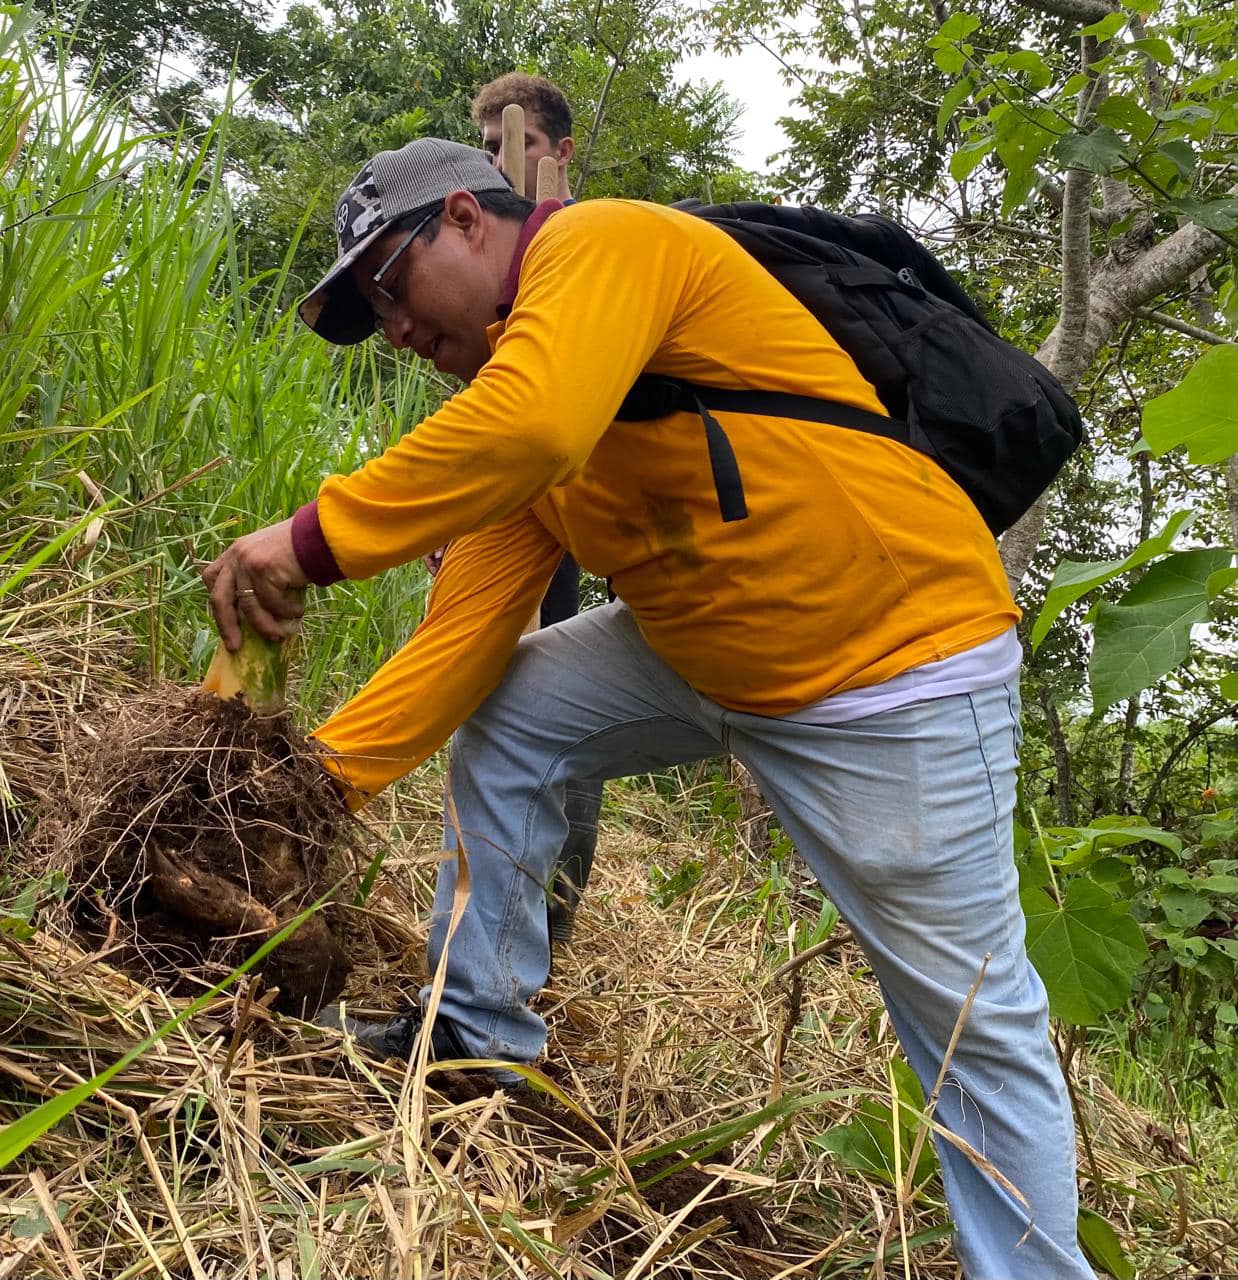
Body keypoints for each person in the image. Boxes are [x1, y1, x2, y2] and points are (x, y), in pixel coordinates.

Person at [204, 136, 1095, 1279]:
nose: (395, 328)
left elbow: (530, 423)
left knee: (968, 1019)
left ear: (466, 217)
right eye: (372, 315)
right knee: (515, 711)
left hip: (888, 668)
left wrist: (307, 538)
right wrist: (300, 788)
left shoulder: (601, 243)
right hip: (703, 652)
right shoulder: (531, 404)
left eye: (390, 283)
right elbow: (462, 637)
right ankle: (477, 1040)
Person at [425, 72, 600, 943]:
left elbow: (545, 414)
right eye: (488, 147)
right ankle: (490, 941)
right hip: (522, 505)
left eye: (515, 145)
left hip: (580, 513)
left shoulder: (579, 248)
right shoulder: (494, 269)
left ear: (558, 152)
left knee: (552, 708)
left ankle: (548, 926)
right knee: (499, 705)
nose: (498, 163)